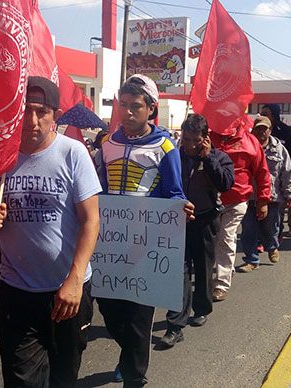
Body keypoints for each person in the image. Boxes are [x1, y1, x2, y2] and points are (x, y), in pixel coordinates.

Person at [0, 76, 101, 388]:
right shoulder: (1, 157)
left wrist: (74, 279)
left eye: (41, 111)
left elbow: (91, 221)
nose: (31, 120)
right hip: (17, 290)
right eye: (24, 110)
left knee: (63, 378)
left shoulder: (73, 153)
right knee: (21, 381)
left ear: (55, 114)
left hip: (67, 292)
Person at [96, 74, 191, 387]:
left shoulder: (166, 147)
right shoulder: (107, 145)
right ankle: (129, 354)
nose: (127, 112)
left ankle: (135, 377)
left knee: (138, 317)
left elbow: (175, 192)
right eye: (122, 105)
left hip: (147, 245)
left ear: (151, 108)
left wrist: (180, 208)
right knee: (110, 311)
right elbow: (96, 188)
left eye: (135, 106)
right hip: (110, 246)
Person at [158, 114, 234, 349]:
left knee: (202, 268)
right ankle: (175, 325)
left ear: (205, 138)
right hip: (179, 222)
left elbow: (225, 184)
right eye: (186, 139)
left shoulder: (220, 157)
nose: (189, 145)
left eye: (195, 140)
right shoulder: (174, 158)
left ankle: (201, 307)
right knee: (178, 272)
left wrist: (208, 158)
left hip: (205, 221)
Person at [209, 119, 271, 302]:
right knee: (210, 241)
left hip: (236, 201)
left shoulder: (250, 142)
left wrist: (263, 200)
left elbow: (262, 173)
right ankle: (224, 271)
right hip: (210, 201)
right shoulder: (208, 138)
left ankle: (221, 283)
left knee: (226, 237)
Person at [237, 116, 291, 272]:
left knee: (270, 227)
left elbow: (287, 172)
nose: (261, 132)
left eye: (265, 129)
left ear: (270, 130)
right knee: (249, 229)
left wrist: (290, 194)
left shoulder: (279, 149)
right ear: (253, 130)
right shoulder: (245, 146)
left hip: (272, 197)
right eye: (258, 128)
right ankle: (251, 259)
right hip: (249, 196)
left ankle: (272, 246)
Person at [260, 104, 291, 238]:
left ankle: (275, 239)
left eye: (265, 114)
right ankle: (261, 240)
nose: (262, 117)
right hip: (261, 182)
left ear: (274, 116)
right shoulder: (255, 134)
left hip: (280, 181)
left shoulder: (286, 132)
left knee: (277, 214)